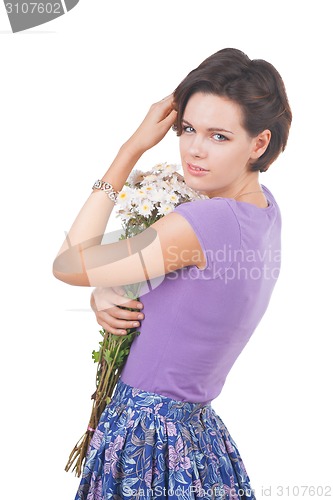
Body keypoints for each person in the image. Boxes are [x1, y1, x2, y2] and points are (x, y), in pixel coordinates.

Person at [53, 48, 292, 500]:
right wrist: (106, 289)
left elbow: (69, 263)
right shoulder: (263, 213)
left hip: (146, 442)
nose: (194, 149)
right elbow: (189, 295)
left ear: (259, 144)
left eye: (219, 136)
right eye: (187, 129)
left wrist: (129, 150)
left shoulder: (207, 222)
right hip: (195, 440)